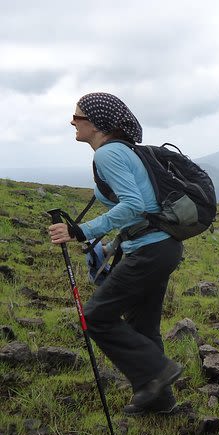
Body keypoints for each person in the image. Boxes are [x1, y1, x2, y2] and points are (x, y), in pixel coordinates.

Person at [48, 93, 184, 416]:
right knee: (142, 328)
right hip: (160, 247)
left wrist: (81, 231)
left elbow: (134, 205)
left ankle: (157, 370)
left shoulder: (108, 155)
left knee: (95, 317)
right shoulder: (121, 152)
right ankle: (159, 401)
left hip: (150, 252)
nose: (72, 122)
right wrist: (109, 247)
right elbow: (142, 212)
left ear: (95, 124)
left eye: (77, 116)